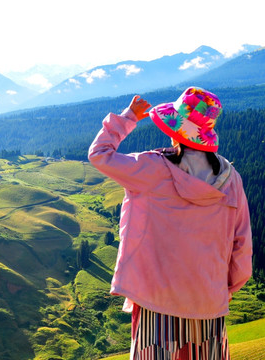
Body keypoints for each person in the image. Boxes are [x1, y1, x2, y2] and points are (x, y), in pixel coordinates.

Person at [88, 87, 252, 359]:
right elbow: (242, 245)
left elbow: (99, 154)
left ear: (175, 129)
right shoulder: (231, 178)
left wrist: (128, 117)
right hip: (208, 301)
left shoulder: (153, 169)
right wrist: (223, 289)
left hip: (157, 300)